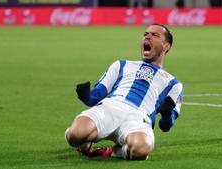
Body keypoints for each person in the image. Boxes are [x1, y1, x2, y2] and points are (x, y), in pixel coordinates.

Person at [65, 24, 184, 160]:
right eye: (146, 34)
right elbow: (95, 97)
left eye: (154, 35)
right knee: (74, 135)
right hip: (111, 107)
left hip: (139, 119)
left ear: (166, 46)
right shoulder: (121, 64)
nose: (148, 36)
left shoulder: (174, 84)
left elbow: (166, 126)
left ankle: (112, 152)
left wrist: (167, 113)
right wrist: (86, 95)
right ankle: (84, 143)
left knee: (141, 149)